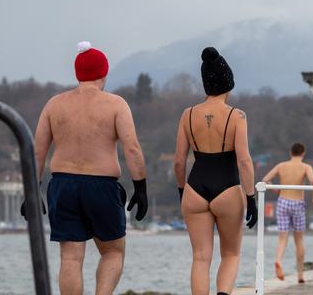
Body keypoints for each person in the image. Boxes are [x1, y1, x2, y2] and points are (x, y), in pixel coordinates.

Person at [29, 41, 148, 295]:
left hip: (62, 185)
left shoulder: (54, 104)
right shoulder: (116, 104)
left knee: (71, 257)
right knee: (113, 251)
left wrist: (33, 189)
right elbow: (132, 149)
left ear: (77, 73)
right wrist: (140, 187)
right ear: (103, 73)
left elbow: (38, 151)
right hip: (101, 186)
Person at [173, 47, 257, 295]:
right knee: (231, 254)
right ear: (228, 84)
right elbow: (244, 161)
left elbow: (179, 161)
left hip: (195, 187)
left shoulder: (187, 115)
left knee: (200, 258)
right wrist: (251, 198)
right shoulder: (237, 116)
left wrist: (182, 191)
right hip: (227, 188)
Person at [261, 143, 313, 284]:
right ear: (303, 153)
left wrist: (276, 190)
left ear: (290, 152)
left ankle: (278, 260)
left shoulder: (281, 166)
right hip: (298, 202)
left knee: (282, 238)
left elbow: (265, 180)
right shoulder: (306, 167)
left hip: (283, 202)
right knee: (299, 240)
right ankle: (300, 274)